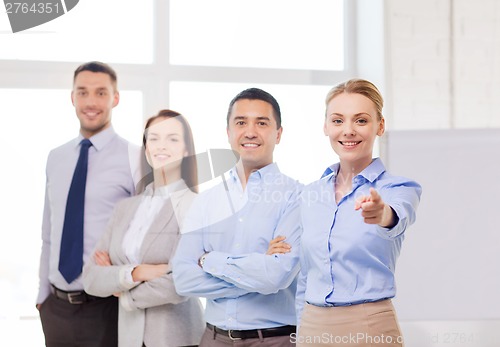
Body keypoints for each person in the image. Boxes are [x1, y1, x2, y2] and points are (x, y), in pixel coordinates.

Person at [295, 79, 422, 347]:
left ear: (380, 126)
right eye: (338, 120)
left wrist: (382, 213)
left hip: (369, 326)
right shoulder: (310, 194)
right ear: (326, 126)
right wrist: (301, 328)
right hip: (311, 326)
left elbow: (397, 217)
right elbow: (306, 273)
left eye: (361, 120)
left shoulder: (398, 188)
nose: (348, 130)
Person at [172, 88, 302, 347]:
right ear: (228, 132)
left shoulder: (297, 196)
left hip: (274, 340)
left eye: (261, 123)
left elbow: (275, 276)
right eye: (241, 122)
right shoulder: (206, 200)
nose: (250, 132)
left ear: (278, 134)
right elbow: (183, 279)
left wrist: (209, 260)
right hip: (213, 338)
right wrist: (256, 270)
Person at [36, 61, 146, 347]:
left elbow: (146, 233)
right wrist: (42, 296)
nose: (91, 102)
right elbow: (49, 232)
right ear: (72, 97)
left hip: (107, 306)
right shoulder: (55, 157)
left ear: (115, 98)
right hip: (55, 308)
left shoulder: (135, 158)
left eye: (101, 93)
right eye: (83, 92)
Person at [83, 110, 205, 347]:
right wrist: (136, 273)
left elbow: (180, 283)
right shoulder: (124, 209)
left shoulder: (195, 207)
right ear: (146, 148)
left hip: (177, 339)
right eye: (154, 138)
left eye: (172, 139)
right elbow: (90, 277)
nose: (161, 146)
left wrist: (122, 291)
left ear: (186, 151)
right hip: (128, 339)